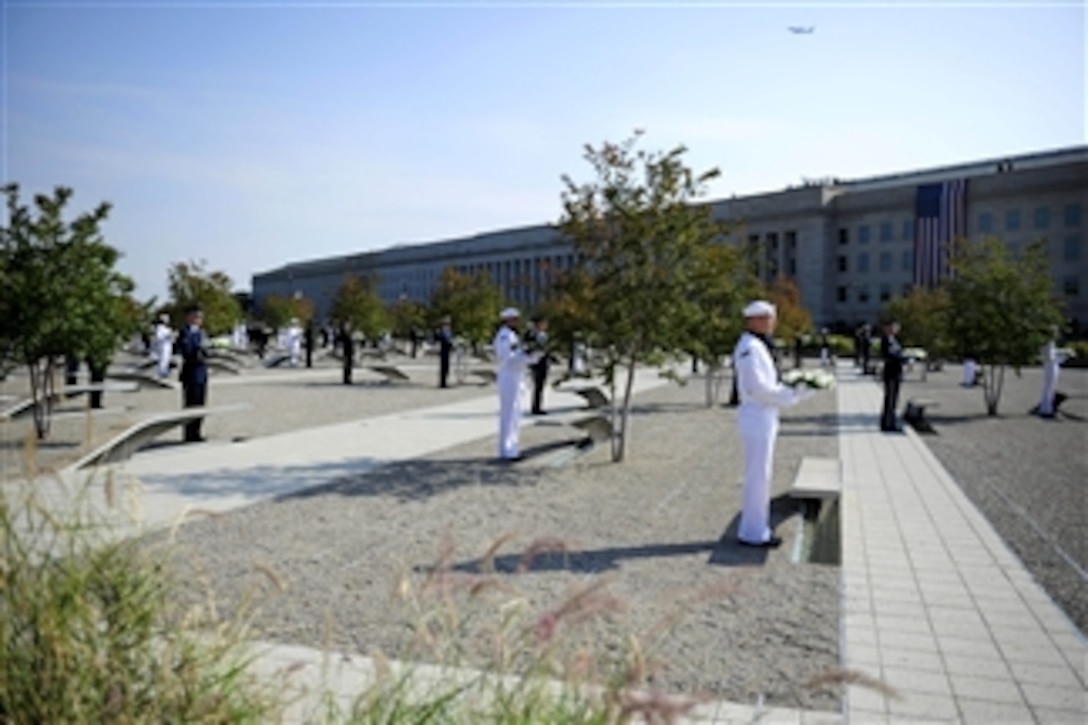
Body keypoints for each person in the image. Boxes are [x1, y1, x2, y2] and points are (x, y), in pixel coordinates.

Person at [733, 300, 811, 548]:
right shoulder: (749, 347)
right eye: (769, 318)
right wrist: (795, 394)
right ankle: (754, 533)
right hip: (757, 415)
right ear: (755, 319)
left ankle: (755, 528)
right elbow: (759, 388)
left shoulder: (757, 345)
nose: (773, 323)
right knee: (758, 476)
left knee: (760, 475)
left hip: (763, 415)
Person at [493, 307, 538, 461]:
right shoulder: (505, 336)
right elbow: (508, 358)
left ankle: (512, 448)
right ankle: (507, 450)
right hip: (509, 376)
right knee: (509, 414)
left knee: (515, 414)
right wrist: (530, 359)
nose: (517, 321)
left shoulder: (512, 335)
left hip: (516, 376)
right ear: (508, 320)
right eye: (514, 319)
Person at [178, 306, 209, 442]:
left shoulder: (202, 333)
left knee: (201, 403)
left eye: (201, 317)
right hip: (191, 372)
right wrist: (196, 352)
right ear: (189, 317)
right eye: (196, 317)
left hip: (201, 372)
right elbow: (185, 349)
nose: (199, 320)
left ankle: (197, 431)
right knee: (190, 404)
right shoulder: (184, 332)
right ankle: (189, 433)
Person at [879, 320, 907, 432]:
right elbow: (889, 355)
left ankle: (890, 421)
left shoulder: (893, 340)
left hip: (896, 372)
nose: (895, 329)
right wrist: (902, 358)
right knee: (890, 399)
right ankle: (888, 423)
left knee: (893, 399)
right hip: (891, 372)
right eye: (893, 327)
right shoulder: (886, 340)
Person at [1038, 331, 1071, 418]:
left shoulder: (1050, 342)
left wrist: (1063, 352)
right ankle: (1046, 409)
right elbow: (1050, 357)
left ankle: (1046, 408)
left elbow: (1053, 352)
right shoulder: (1047, 343)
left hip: (1051, 367)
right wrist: (1063, 357)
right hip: (1050, 367)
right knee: (1049, 388)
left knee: (1049, 388)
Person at [526, 317, 550, 415]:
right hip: (536, 362)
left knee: (541, 385)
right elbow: (528, 347)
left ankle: (539, 405)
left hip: (543, 361)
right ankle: (535, 407)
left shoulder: (543, 335)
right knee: (537, 385)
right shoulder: (531, 334)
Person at [155, 314, 174, 378]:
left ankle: (165, 371)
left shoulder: (167, 328)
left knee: (167, 358)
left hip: (167, 345)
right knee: (163, 359)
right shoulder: (160, 327)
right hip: (163, 345)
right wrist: (168, 336)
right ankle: (162, 372)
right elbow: (159, 337)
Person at [437, 317, 454, 388]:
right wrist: (449, 344)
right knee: (443, 367)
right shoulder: (442, 331)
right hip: (444, 350)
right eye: (447, 323)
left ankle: (445, 382)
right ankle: (442, 383)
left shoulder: (449, 331)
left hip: (447, 350)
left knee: (447, 367)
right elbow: (443, 340)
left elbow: (450, 339)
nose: (448, 325)